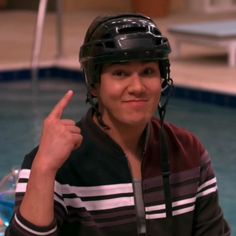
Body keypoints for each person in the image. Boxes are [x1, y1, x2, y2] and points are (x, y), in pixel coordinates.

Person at [6, 13, 230, 236]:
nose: (137, 87)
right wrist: (44, 169)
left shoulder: (187, 152)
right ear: (94, 85)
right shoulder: (58, 163)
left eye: (147, 72)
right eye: (120, 73)